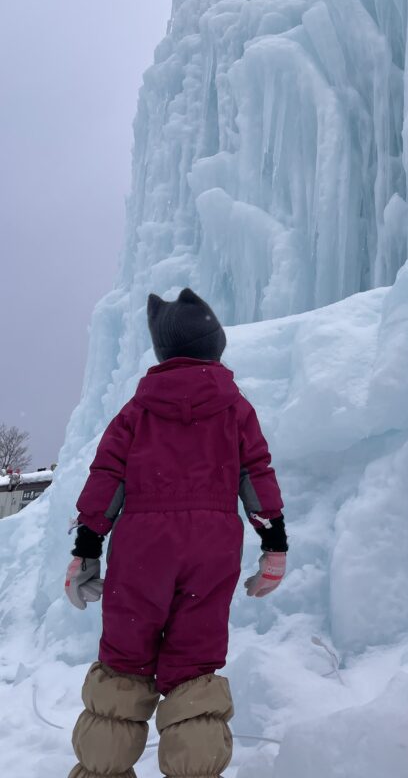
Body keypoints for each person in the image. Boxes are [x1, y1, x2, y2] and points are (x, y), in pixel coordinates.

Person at [64, 288, 288, 778]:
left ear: (164, 351)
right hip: (213, 550)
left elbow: (107, 478)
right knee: (193, 666)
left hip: (142, 551)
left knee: (124, 663)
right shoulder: (235, 409)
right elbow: (257, 475)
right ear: (215, 346)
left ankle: (103, 769)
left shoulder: (137, 412)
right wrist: (274, 545)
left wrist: (87, 547)